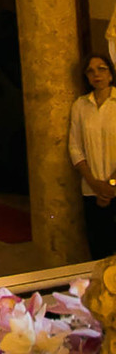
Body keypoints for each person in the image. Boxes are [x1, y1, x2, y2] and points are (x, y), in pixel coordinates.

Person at [69, 53, 116, 259]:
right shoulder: (80, 105)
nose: (96, 74)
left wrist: (111, 184)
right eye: (91, 70)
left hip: (114, 186)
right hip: (91, 189)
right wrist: (95, 184)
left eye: (102, 69)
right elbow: (75, 147)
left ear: (111, 74)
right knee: (99, 249)